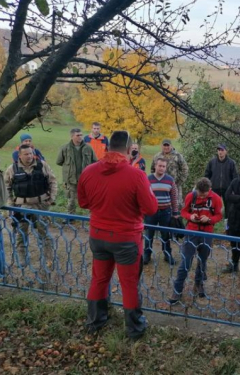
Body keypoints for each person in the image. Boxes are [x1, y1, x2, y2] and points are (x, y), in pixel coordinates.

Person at [78, 130, 158, 340]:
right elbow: (150, 208)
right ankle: (135, 329)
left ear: (107, 146)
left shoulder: (89, 171)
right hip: (126, 238)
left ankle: (95, 322)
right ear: (129, 148)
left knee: (99, 279)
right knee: (129, 284)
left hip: (98, 235)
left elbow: (83, 202)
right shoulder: (136, 175)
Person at [169, 177, 223, 304]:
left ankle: (198, 283)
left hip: (207, 233)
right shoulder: (191, 196)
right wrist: (190, 216)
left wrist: (209, 219)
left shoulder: (215, 198)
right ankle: (177, 289)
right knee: (185, 262)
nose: (202, 196)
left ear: (209, 190)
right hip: (191, 232)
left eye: (204, 194)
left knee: (202, 261)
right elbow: (183, 211)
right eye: (200, 193)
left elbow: (219, 215)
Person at [4, 144, 57, 267]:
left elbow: (53, 181)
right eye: (26, 154)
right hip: (21, 207)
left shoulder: (42, 165)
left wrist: (51, 199)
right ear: (20, 156)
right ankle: (22, 258)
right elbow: (7, 188)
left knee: (43, 232)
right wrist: (11, 206)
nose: (29, 156)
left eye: (31, 153)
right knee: (21, 233)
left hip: (40, 206)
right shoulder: (12, 169)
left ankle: (48, 258)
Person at [143, 157, 179, 266]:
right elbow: (143, 196)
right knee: (149, 234)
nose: (161, 168)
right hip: (151, 212)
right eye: (159, 166)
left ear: (166, 168)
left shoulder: (170, 180)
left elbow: (174, 196)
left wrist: (175, 212)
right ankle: (147, 254)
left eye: (163, 166)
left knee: (165, 235)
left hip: (165, 212)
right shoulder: (147, 179)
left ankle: (167, 254)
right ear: (155, 166)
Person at [56, 128, 97, 215]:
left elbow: (95, 162)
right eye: (77, 135)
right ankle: (70, 216)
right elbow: (59, 162)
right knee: (71, 200)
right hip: (71, 179)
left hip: (86, 179)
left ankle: (90, 217)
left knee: (89, 198)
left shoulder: (88, 148)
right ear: (72, 136)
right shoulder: (65, 148)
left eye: (81, 135)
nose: (80, 137)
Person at [204, 143, 238, 220]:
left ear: (226, 151)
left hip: (227, 189)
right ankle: (210, 223)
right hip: (214, 189)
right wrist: (208, 187)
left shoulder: (231, 163)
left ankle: (227, 226)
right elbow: (207, 175)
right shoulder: (212, 162)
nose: (220, 152)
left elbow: (235, 178)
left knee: (229, 209)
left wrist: (233, 189)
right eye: (219, 150)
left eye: (222, 150)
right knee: (212, 208)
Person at [151, 139, 189, 206]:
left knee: (176, 205)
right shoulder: (157, 156)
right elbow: (152, 169)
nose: (166, 147)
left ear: (171, 146)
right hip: (160, 186)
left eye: (167, 145)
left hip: (175, 186)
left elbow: (185, 170)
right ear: (161, 146)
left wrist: (178, 182)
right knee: (159, 204)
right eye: (164, 145)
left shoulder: (178, 156)